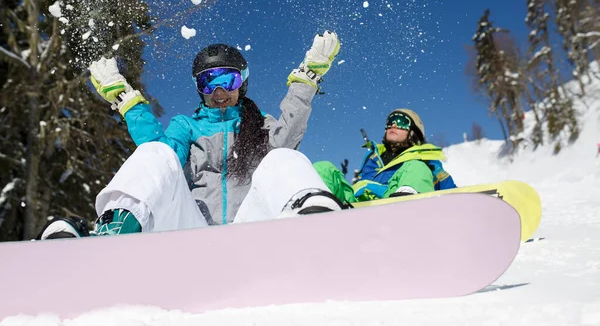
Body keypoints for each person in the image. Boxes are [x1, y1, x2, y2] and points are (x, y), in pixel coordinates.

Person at [39, 32, 348, 239]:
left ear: (243, 83)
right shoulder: (186, 126)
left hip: (253, 231)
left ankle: (312, 225)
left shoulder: (260, 125)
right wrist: (126, 99)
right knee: (155, 154)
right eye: (208, 82)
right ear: (199, 88)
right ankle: (116, 228)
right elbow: (160, 159)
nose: (219, 90)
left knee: (282, 156)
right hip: (192, 232)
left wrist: (307, 77)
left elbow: (289, 137)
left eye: (228, 79)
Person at [314, 109, 456, 204]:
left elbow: (452, 194)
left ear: (414, 132)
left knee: (416, 167)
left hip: (391, 204)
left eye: (401, 122)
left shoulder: (424, 159)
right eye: (390, 122)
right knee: (323, 168)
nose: (393, 125)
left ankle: (408, 205)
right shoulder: (373, 158)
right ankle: (316, 208)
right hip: (356, 208)